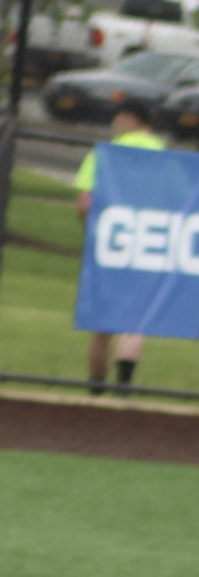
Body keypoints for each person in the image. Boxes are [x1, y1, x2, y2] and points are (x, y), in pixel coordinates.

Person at [75, 105, 164, 396]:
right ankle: (123, 387)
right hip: (149, 241)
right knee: (135, 321)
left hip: (109, 242)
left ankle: (96, 391)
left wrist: (91, 231)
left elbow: (85, 202)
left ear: (131, 119)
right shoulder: (164, 154)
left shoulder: (105, 153)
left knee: (102, 324)